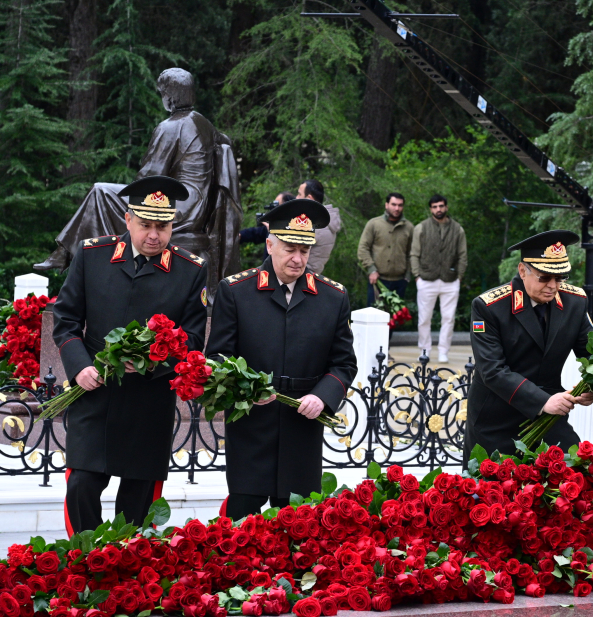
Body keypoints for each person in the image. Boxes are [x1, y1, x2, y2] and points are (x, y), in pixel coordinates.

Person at [52, 176, 208, 534]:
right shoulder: (93, 255)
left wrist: (150, 362)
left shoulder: (190, 269)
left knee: (138, 506)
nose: (154, 235)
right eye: (145, 225)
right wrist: (80, 367)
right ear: (127, 219)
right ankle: (87, 558)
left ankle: (128, 565)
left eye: (162, 227)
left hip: (148, 402)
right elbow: (66, 319)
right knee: (81, 486)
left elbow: (194, 338)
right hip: (95, 393)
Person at [206, 199, 357, 520]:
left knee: (297, 523)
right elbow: (218, 357)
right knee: (241, 521)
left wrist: (322, 396)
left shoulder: (333, 297)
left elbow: (344, 363)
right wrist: (245, 389)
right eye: (290, 249)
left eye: (305, 250)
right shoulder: (236, 291)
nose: (298, 259)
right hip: (251, 424)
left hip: (302, 426)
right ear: (270, 245)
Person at [37, 68, 242, 299]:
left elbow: (149, 177)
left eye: (163, 93)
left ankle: (67, 254)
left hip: (176, 206)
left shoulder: (171, 126)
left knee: (100, 192)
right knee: (105, 194)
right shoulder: (204, 124)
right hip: (197, 207)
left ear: (170, 97)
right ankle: (67, 253)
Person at [463, 230, 593, 463]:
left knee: (578, 472)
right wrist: (542, 401)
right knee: (494, 485)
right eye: (544, 277)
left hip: (549, 419)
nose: (553, 286)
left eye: (560, 277)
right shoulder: (489, 307)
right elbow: (492, 370)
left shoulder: (574, 302)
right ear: (523, 271)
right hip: (497, 419)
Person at [410, 195, 468, 363]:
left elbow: (463, 255)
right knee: (424, 318)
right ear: (431, 209)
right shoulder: (421, 227)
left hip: (450, 280)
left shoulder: (458, 229)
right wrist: (417, 276)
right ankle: (424, 350)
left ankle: (443, 351)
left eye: (441, 206)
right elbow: (414, 254)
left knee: (449, 318)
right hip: (426, 279)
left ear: (446, 207)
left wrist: (459, 276)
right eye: (435, 207)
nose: (438, 209)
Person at [358, 193, 413, 307]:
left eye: (400, 205)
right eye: (393, 204)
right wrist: (371, 269)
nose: (397, 208)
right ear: (386, 205)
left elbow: (412, 253)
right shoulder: (374, 224)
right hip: (377, 280)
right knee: (375, 314)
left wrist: (408, 275)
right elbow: (363, 248)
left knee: (397, 317)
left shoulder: (409, 227)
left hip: (400, 282)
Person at [297, 179, 342, 275]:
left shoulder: (317, 224)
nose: (296, 198)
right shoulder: (324, 221)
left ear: (309, 198)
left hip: (301, 276)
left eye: (299, 194)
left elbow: (290, 249)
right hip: (307, 275)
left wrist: (273, 232)